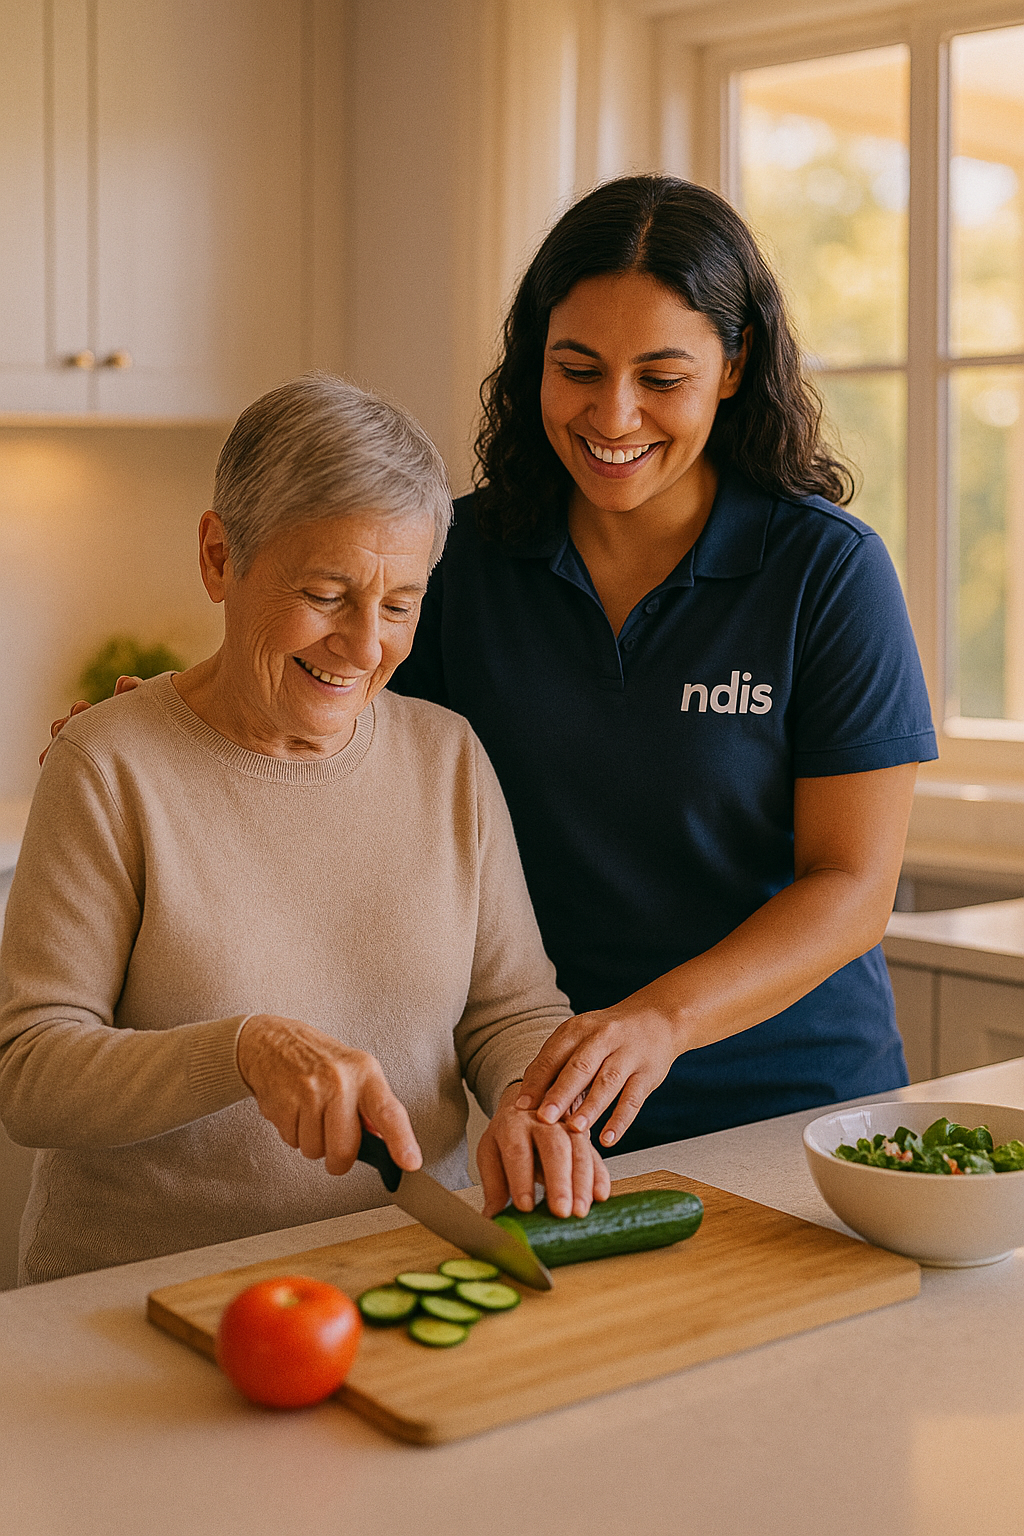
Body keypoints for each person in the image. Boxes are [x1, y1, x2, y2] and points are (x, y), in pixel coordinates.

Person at [1, 375, 607, 1284]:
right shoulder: (107, 765)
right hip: (142, 1294)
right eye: (326, 594)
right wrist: (240, 1050)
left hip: (401, 1271)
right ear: (218, 557)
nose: (365, 646)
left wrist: (532, 1101)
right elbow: (33, 1077)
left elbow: (510, 1008)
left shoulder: (447, 756)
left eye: (400, 605)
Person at [388, 174, 937, 1154]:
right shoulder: (453, 560)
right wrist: (184, 735)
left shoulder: (825, 570)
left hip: (802, 1109)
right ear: (533, 366)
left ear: (731, 368)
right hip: (557, 1106)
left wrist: (660, 1022)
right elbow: (345, 760)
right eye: (578, 368)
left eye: (660, 377)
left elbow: (851, 883)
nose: (612, 415)